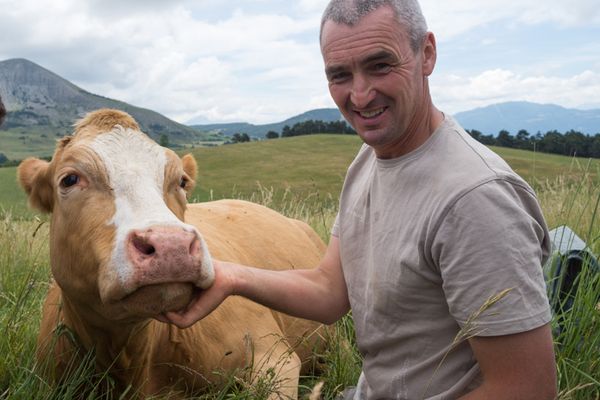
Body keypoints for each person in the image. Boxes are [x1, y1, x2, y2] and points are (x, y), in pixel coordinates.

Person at [162, 0, 557, 398]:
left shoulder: (475, 200)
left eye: (380, 65)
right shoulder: (371, 158)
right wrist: (231, 276)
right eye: (340, 74)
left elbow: (527, 388)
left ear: (427, 54)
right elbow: (331, 290)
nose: (361, 95)